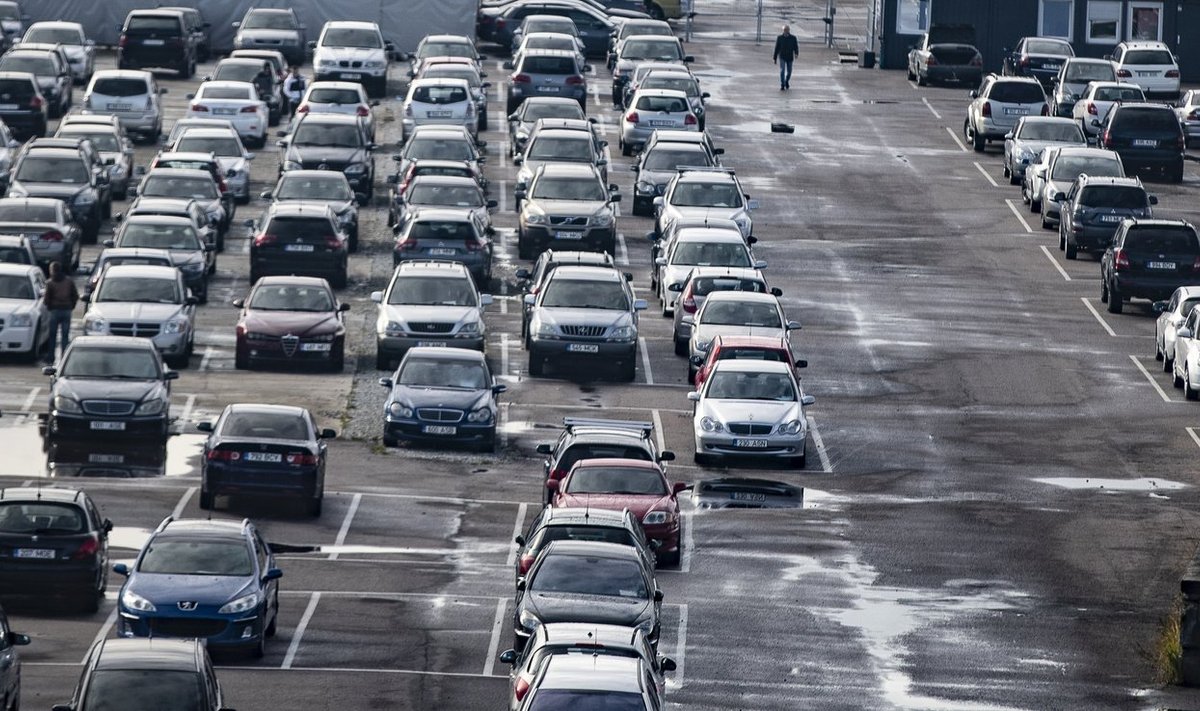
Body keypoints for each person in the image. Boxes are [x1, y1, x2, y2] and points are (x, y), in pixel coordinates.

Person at [43, 261, 79, 365]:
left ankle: (51, 357)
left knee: (52, 335)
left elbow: (46, 299)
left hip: (54, 311)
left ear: (52, 270)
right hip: (67, 310)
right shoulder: (69, 281)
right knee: (65, 336)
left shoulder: (50, 283)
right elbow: (75, 295)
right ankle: (64, 358)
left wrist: (49, 306)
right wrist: (71, 306)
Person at [773, 24, 799, 91]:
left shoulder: (793, 38)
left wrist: (796, 53)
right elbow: (776, 48)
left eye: (787, 30)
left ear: (789, 30)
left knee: (789, 71)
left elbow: (796, 47)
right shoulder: (780, 38)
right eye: (784, 30)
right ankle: (782, 84)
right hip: (782, 56)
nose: (786, 31)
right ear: (783, 30)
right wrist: (775, 58)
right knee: (782, 70)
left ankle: (786, 80)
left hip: (790, 57)